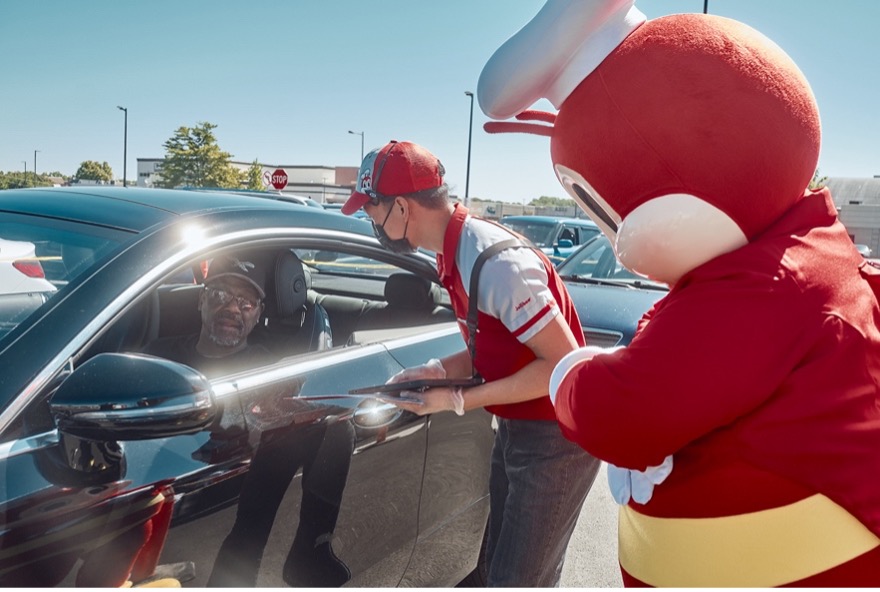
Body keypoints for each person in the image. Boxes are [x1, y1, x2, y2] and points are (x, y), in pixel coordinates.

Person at [477, 0, 880, 586]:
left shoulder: (763, 289)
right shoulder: (807, 254)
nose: (613, 239)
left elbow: (619, 415)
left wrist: (575, 374)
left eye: (602, 209)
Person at [340, 139, 600, 587]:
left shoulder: (495, 262)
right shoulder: (453, 250)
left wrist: (457, 399)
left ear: (401, 208)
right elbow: (492, 349)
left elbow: (564, 366)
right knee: (496, 570)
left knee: (517, 582)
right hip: (520, 427)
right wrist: (438, 372)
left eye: (371, 211)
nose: (372, 223)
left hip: (557, 438)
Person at [142, 253, 273, 377]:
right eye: (219, 295)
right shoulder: (158, 356)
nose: (232, 308)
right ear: (201, 300)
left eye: (246, 302)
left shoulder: (267, 372)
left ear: (258, 314)